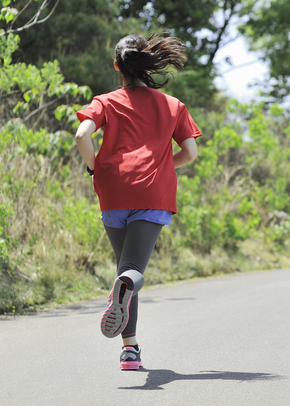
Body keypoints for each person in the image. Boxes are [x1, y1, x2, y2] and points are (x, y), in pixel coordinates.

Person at [74, 33, 201, 371]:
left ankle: (130, 350)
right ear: (146, 63)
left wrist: (93, 166)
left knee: (125, 270)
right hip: (152, 194)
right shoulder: (173, 105)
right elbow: (190, 153)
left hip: (113, 191)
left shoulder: (105, 100)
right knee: (130, 274)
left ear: (118, 66)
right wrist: (161, 167)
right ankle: (127, 303)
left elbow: (81, 135)